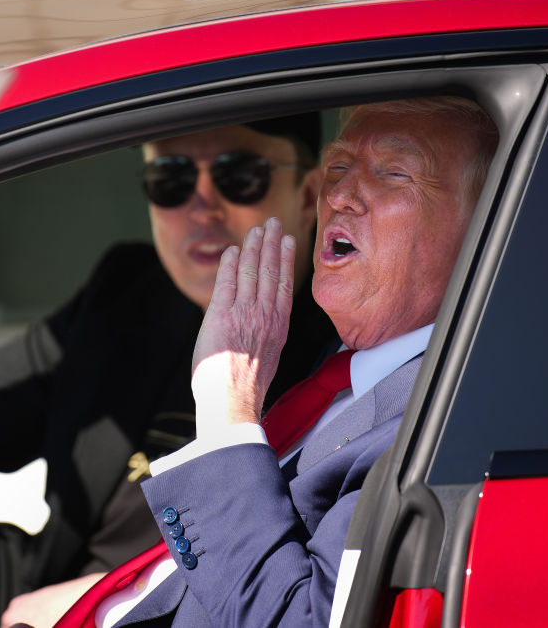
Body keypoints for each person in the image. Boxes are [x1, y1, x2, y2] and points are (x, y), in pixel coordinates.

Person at [0, 115, 337, 628]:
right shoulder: (126, 297)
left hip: (177, 610)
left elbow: (293, 578)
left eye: (238, 174)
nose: (202, 206)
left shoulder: (340, 344)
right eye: (171, 180)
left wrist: (115, 594)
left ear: (308, 193)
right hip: (44, 585)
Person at [78, 96, 498, 627]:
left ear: (486, 224)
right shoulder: (328, 365)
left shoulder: (438, 423)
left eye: (394, 173)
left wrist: (228, 412)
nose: (341, 195)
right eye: (338, 167)